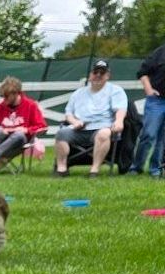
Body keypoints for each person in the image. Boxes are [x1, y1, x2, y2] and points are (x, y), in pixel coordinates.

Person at [54, 59, 127, 177]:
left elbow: (120, 109)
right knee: (61, 133)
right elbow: (68, 113)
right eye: (95, 72)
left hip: (102, 127)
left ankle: (94, 170)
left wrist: (119, 121)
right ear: (90, 75)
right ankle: (61, 168)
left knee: (104, 133)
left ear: (108, 76)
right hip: (79, 128)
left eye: (102, 73)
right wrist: (74, 122)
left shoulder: (116, 91)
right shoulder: (78, 93)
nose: (98, 75)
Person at [0, 77, 46, 172]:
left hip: (18, 144)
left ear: (16, 93)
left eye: (6, 96)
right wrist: (4, 131)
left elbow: (42, 127)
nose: (4, 99)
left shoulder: (31, 105)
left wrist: (26, 130)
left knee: (19, 135)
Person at [128, 40, 165, 178]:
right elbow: (142, 72)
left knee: (163, 139)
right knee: (149, 134)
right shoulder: (160, 52)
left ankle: (155, 169)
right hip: (157, 100)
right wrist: (148, 89)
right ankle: (136, 167)